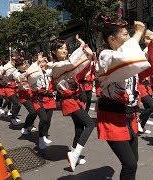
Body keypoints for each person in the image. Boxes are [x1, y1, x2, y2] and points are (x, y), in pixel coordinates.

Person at [96, 15, 153, 180]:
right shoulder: (105, 56)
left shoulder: (129, 56)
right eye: (125, 34)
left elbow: (150, 65)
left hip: (130, 116)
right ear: (112, 39)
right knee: (130, 164)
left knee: (133, 162)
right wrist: (138, 33)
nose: (129, 38)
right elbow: (125, 57)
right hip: (112, 117)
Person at [50, 36, 95, 171]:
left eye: (65, 47)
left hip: (75, 99)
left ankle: (75, 156)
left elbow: (76, 64)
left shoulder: (64, 63)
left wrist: (82, 48)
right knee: (90, 124)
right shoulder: (56, 66)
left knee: (80, 128)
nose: (64, 50)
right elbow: (74, 64)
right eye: (60, 48)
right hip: (69, 101)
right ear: (54, 52)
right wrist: (87, 56)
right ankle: (75, 153)